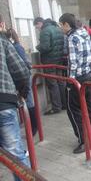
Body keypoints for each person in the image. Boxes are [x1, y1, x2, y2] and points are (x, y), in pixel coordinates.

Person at [59, 13, 91, 154]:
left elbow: (73, 62)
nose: (60, 28)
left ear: (66, 25)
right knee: (88, 107)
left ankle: (83, 140)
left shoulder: (71, 37)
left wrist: (71, 81)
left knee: (72, 109)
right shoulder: (84, 33)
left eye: (61, 24)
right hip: (88, 75)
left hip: (78, 78)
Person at [0, 15, 31, 181]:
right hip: (4, 102)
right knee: (15, 153)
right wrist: (21, 93)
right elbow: (21, 71)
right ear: (1, 24)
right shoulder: (3, 42)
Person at [4, 28, 37, 135]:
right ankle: (32, 127)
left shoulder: (15, 47)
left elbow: (25, 64)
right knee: (27, 102)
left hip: (24, 77)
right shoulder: (16, 46)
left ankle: (34, 128)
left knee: (29, 102)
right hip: (22, 77)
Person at [33, 17, 67, 115]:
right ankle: (64, 104)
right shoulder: (57, 28)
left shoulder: (45, 31)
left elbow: (45, 47)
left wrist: (37, 47)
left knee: (52, 84)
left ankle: (56, 107)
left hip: (49, 61)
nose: (37, 29)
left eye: (37, 26)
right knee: (60, 81)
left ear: (40, 23)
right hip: (59, 60)